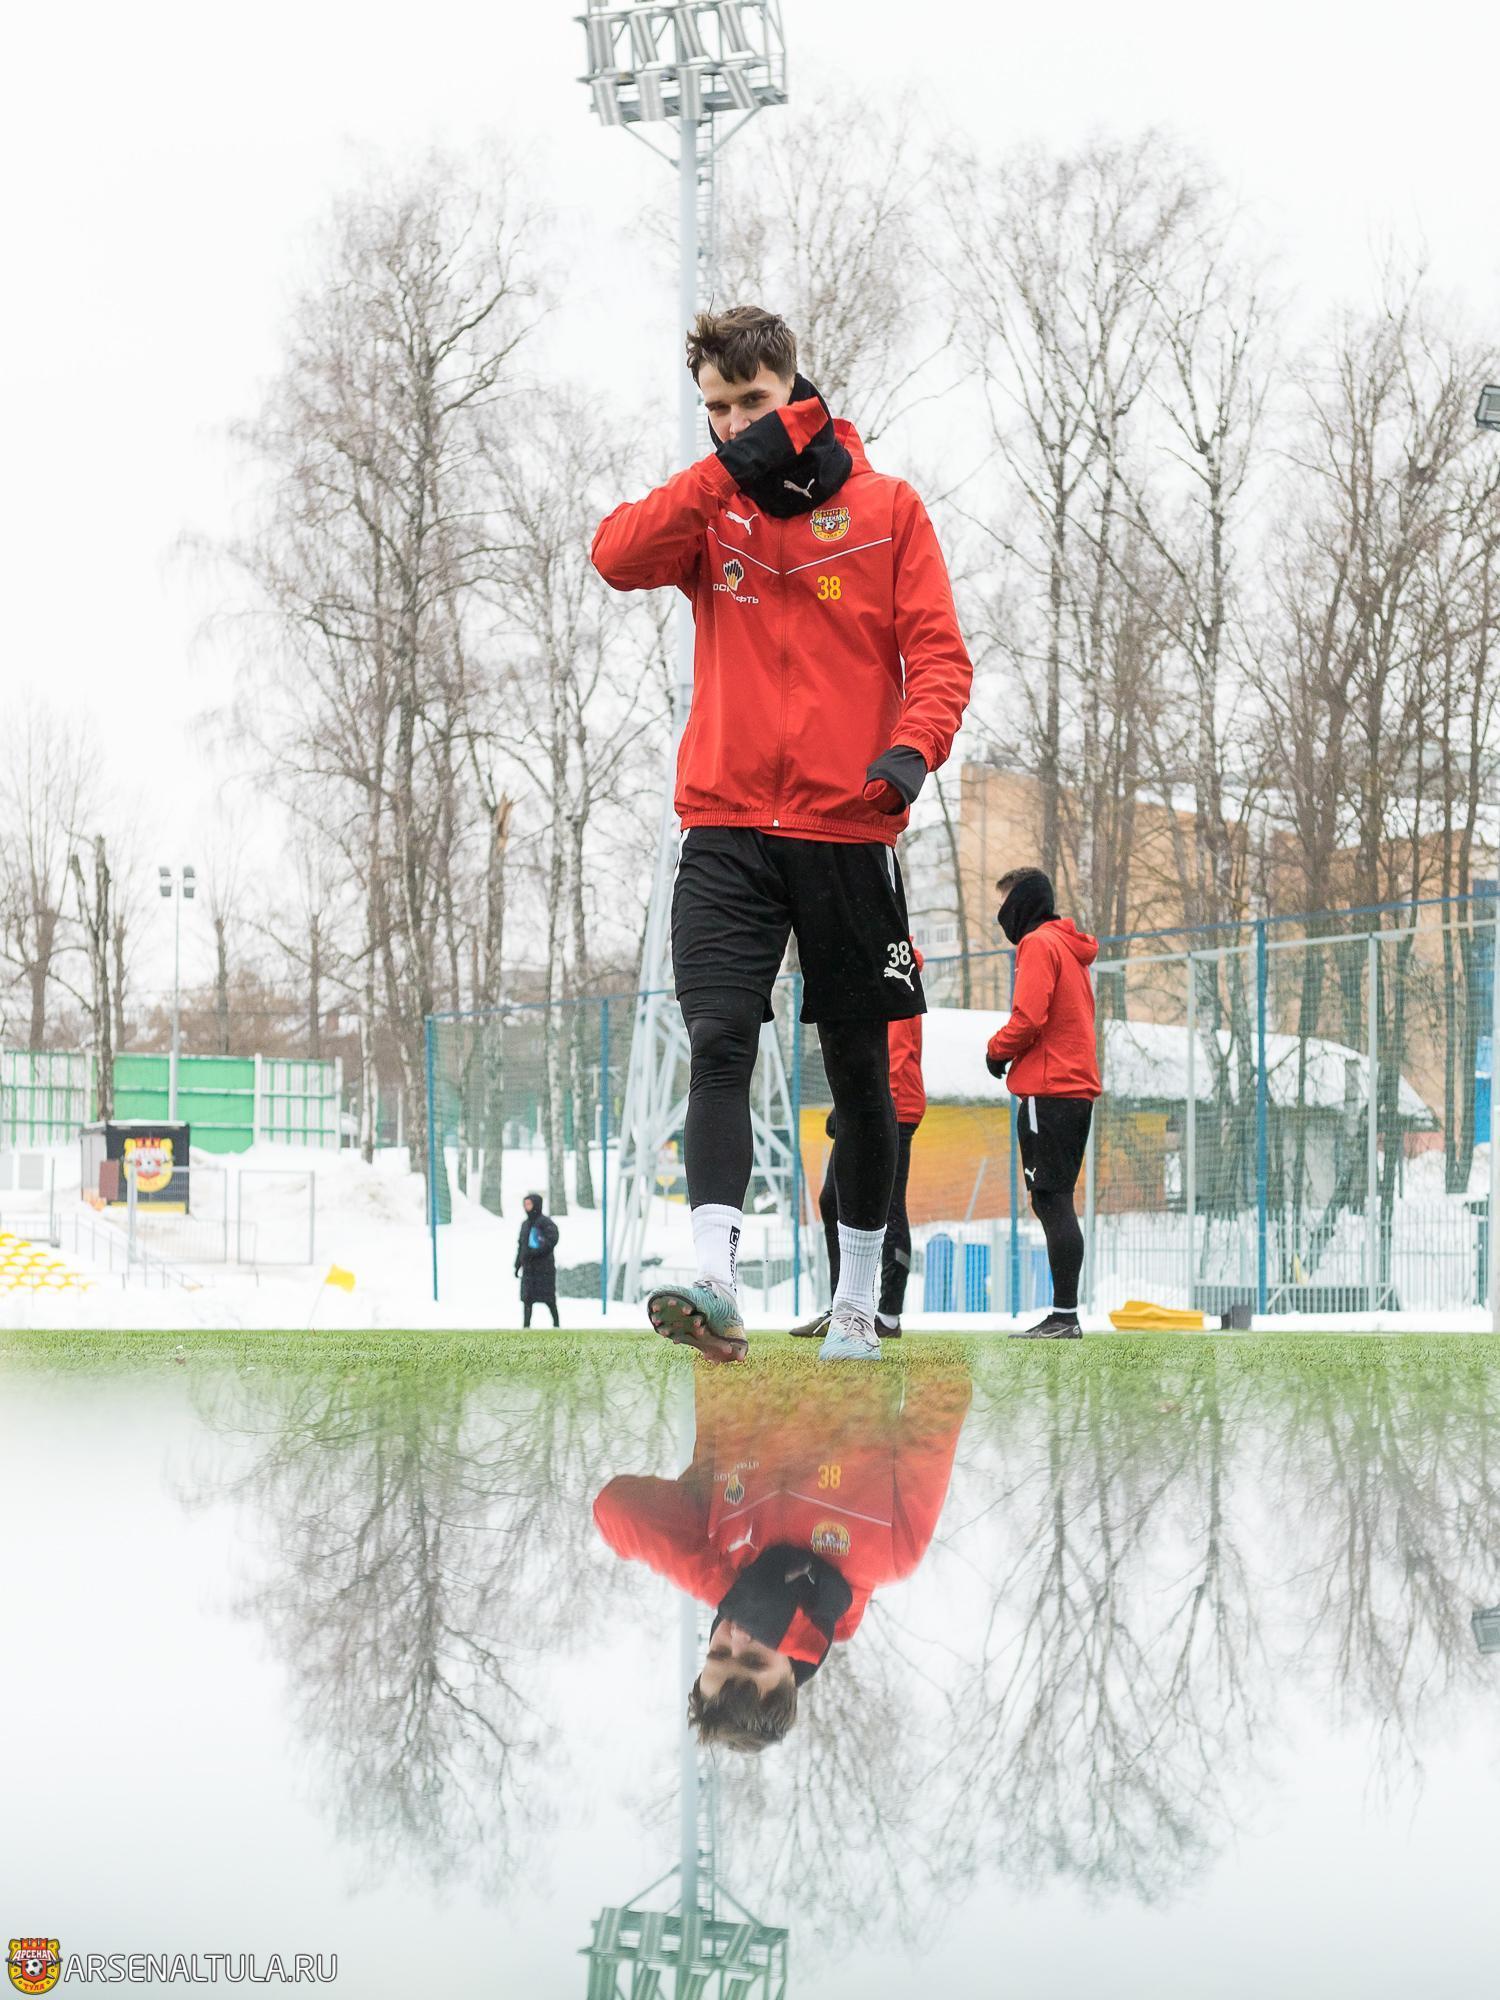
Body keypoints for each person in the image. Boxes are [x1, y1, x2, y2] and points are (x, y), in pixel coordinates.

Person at [591, 305, 971, 1365]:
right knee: (720, 1041)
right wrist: (726, 471)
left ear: (795, 391)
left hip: (847, 828)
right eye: (715, 409)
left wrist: (913, 749)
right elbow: (615, 554)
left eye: (751, 403)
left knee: (858, 1073)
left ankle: (857, 1302)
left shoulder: (890, 509)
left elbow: (941, 658)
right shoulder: (711, 513)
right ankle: (716, 1282)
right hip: (723, 826)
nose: (733, 424)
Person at [593, 1365, 971, 1751]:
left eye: (719, 1652)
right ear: (792, 1672)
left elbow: (615, 1507)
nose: (738, 1636)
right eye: (754, 1660)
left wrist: (733, 1593)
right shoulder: (890, 1554)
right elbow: (941, 1385)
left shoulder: (711, 1549)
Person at [985, 869, 1101, 1339]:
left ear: (1022, 902)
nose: (1001, 916)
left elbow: (1029, 1017)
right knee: (1057, 1198)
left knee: (1050, 1200)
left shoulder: (1037, 944)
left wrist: (996, 1050)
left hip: (1049, 1088)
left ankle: (1064, 1317)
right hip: (1075, 1088)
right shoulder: (1070, 948)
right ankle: (1064, 1314)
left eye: (1004, 904)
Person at [792, 947, 926, 1341]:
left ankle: (887, 1315)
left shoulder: (892, 964)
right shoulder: (871, 959)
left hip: (893, 1106)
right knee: (832, 1200)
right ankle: (844, 1307)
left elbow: (893, 1052)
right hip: (870, 1102)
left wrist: (865, 1105)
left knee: (888, 1205)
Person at [515, 1191, 560, 1329]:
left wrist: (537, 1252)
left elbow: (552, 1240)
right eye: (525, 1204)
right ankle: (526, 1326)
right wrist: (517, 1264)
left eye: (529, 1204)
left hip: (544, 1269)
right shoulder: (525, 1225)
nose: (526, 1207)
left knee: (549, 1299)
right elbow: (521, 1245)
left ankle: (556, 1324)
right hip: (529, 1269)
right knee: (527, 1299)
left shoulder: (546, 1223)